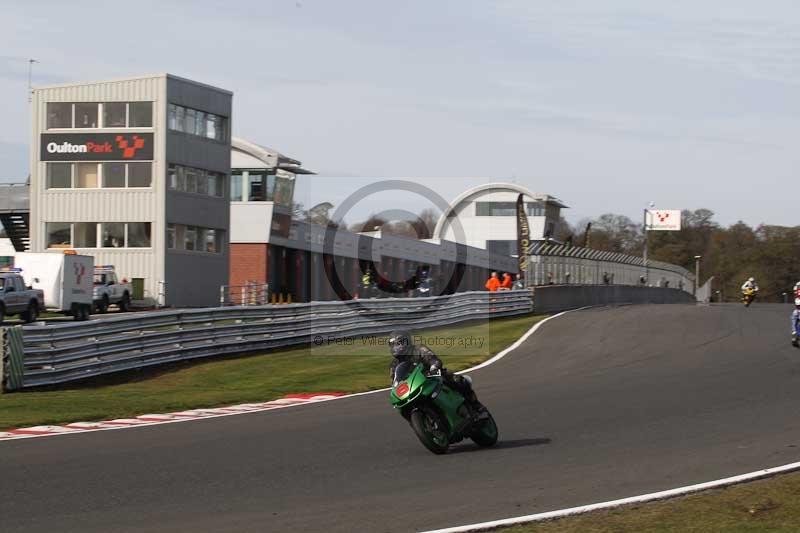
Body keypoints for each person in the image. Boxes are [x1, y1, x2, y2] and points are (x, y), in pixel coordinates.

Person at [388, 329, 484, 412]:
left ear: (407, 341)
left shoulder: (418, 349)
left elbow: (432, 358)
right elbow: (395, 382)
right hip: (414, 388)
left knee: (456, 380)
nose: (396, 347)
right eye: (393, 345)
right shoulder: (394, 365)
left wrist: (434, 366)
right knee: (403, 406)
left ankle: (475, 405)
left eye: (398, 343)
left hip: (432, 377)